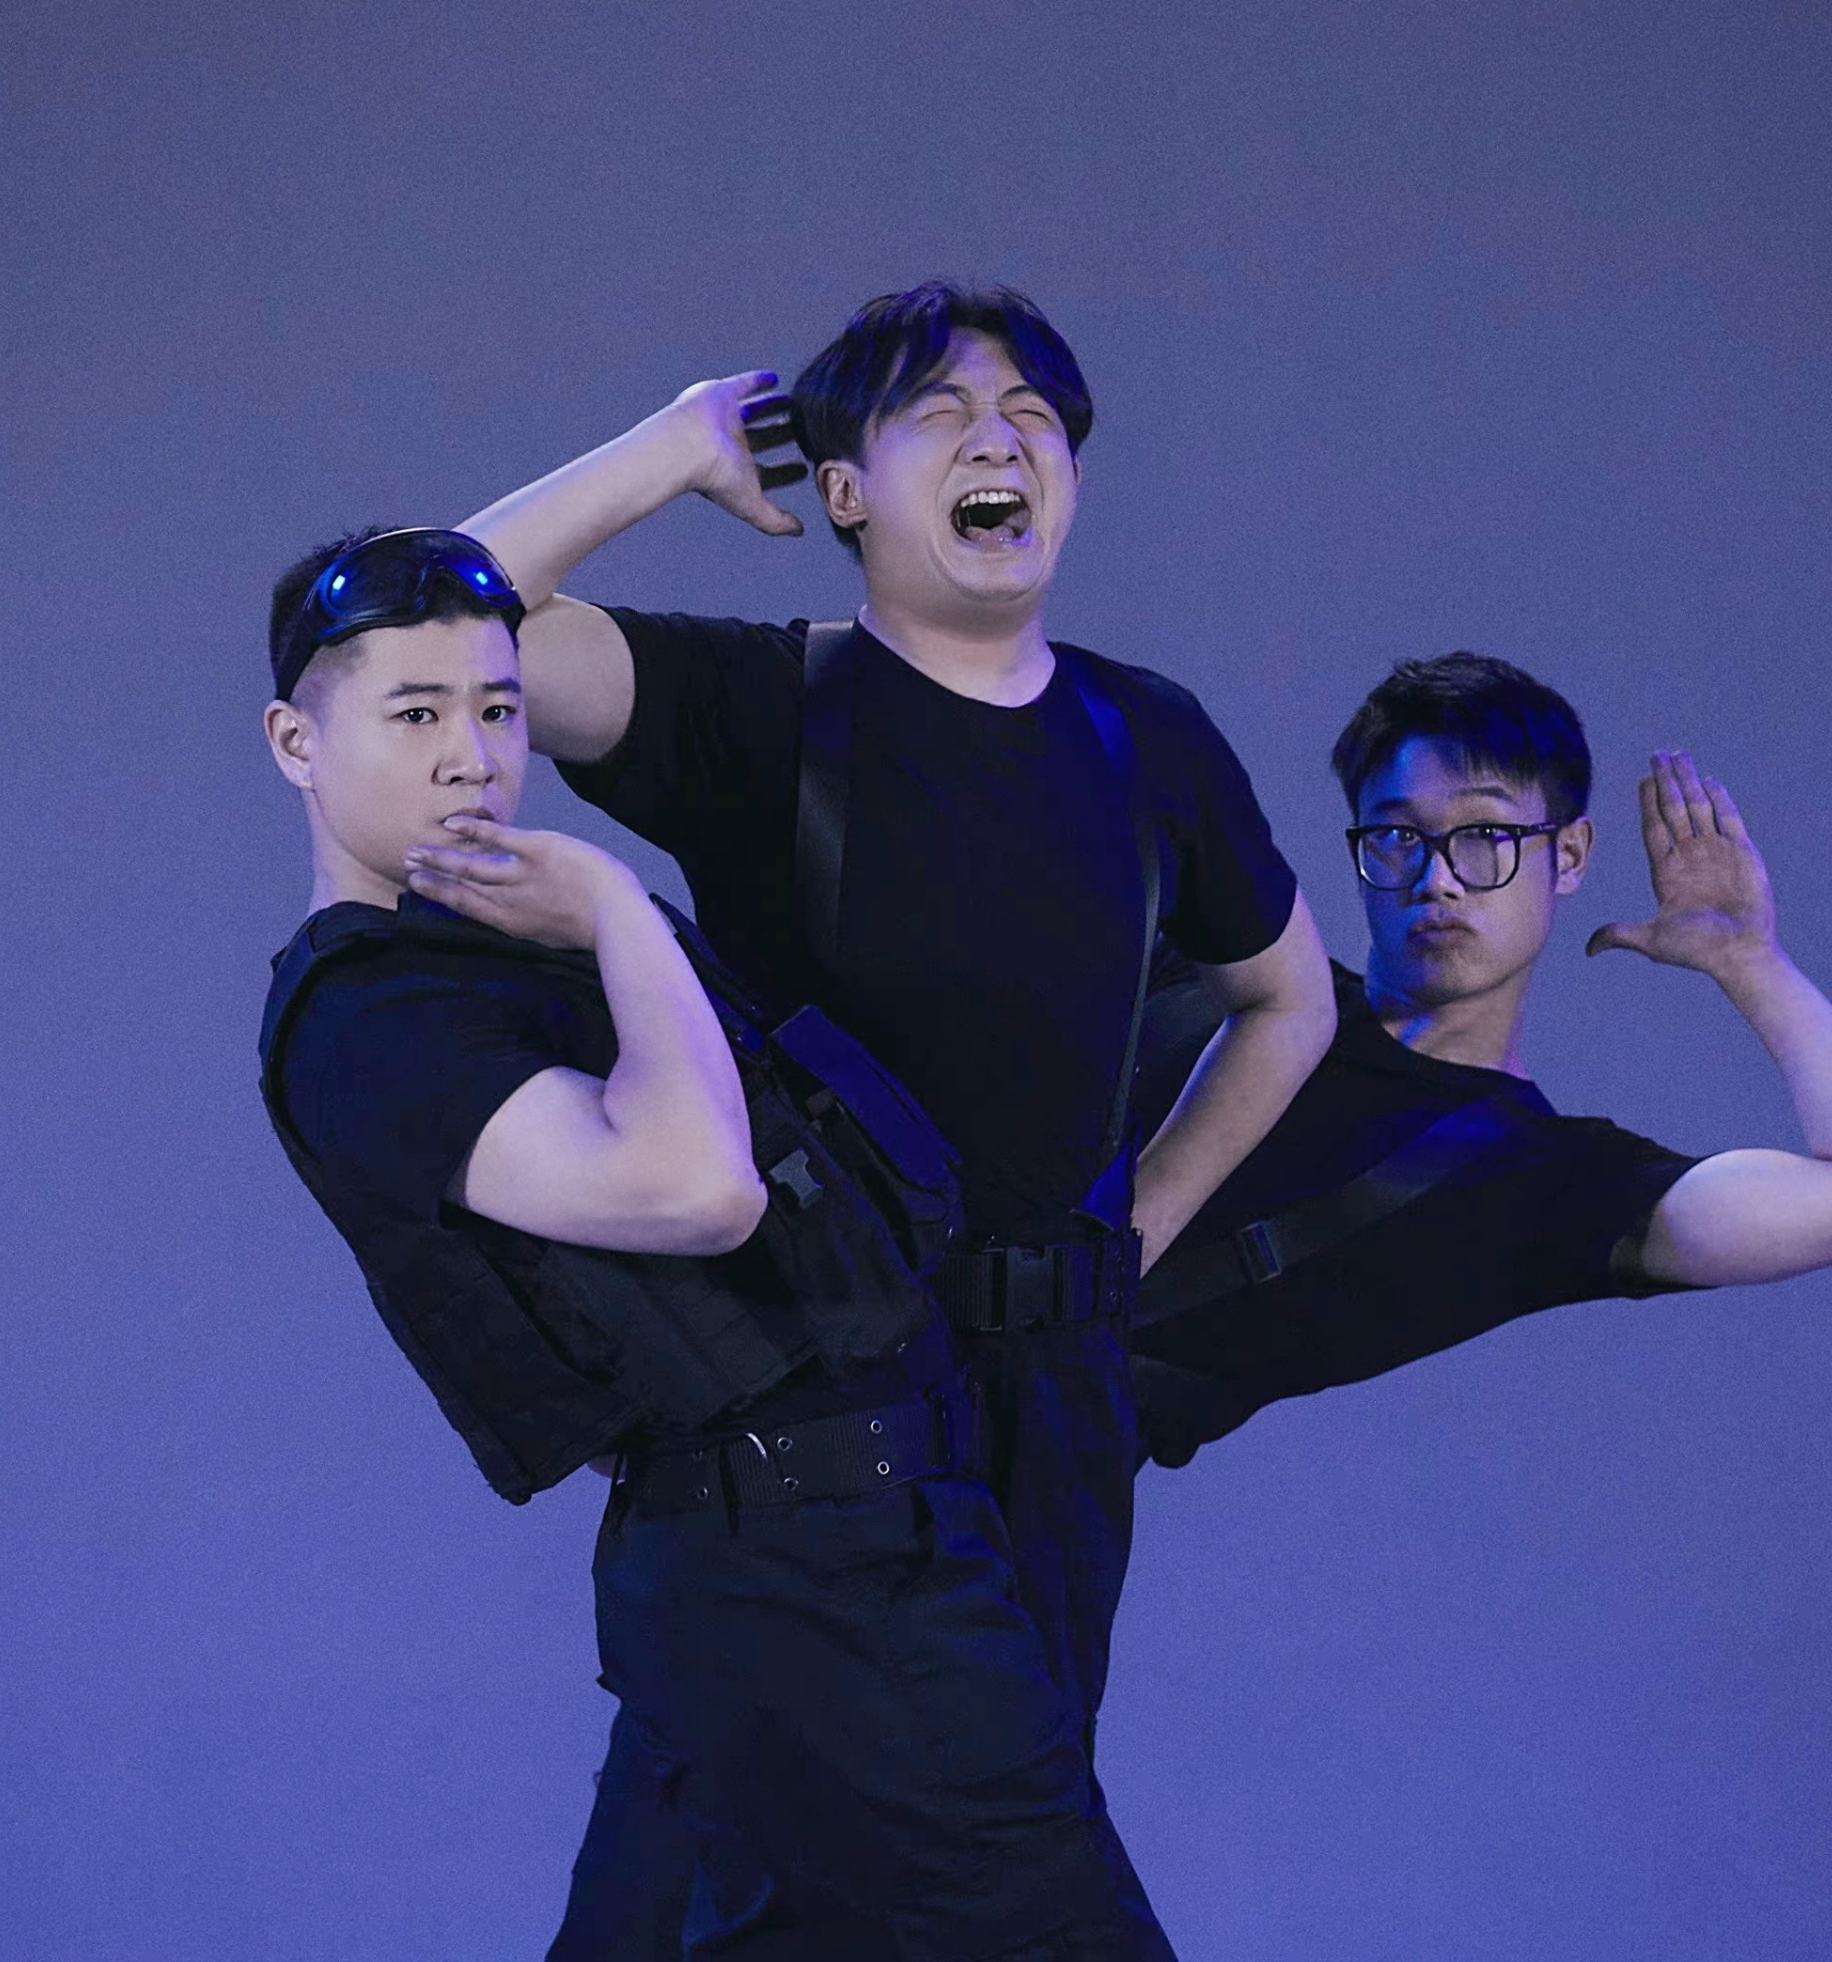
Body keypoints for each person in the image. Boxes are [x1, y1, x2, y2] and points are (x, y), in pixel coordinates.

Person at [439, 282, 1336, 1954]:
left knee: (958, 1874)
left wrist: (1133, 1230)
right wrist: (666, 449)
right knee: (752, 1866)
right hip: (813, 1407)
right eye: (945, 410)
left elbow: (1290, 998)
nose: (1004, 440)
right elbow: (432, 632)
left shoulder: (1148, 737)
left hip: (1049, 1407)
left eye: (1035, 416)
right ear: (843, 486)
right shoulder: (761, 704)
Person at [257, 526, 1208, 1958]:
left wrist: (684, 440)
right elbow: (700, 1191)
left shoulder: (493, 947)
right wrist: (612, 904)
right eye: (416, 714)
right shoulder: (373, 1019)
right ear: (297, 743)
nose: (473, 756)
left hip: (809, 1553)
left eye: (499, 709)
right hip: (817, 1582)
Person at [1129, 653, 1832, 1466]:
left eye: (1485, 835)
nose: (1437, 879)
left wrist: (1749, 963)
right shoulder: (1214, 988)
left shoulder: (1545, 1183)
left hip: (1062, 1493)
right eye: (1398, 836)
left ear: (1568, 856)